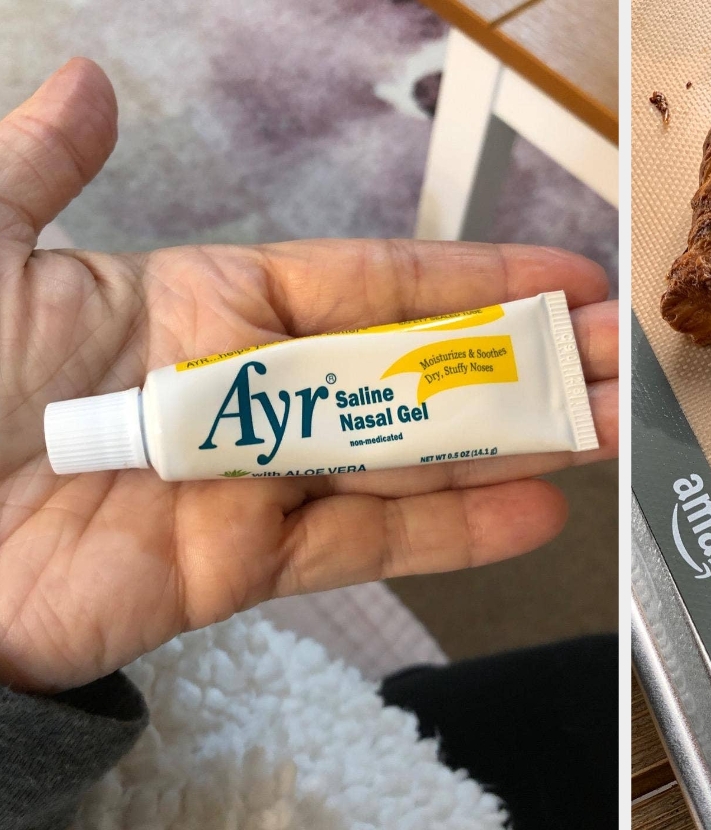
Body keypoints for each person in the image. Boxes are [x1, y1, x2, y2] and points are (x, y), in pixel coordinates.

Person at [0, 58, 618, 828]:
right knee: (594, 694)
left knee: (557, 695)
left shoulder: (164, 415)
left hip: (331, 750)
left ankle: (408, 703)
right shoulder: (169, 433)